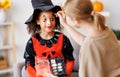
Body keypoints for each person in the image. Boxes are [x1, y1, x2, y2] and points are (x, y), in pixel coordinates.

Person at [57, 0, 120, 77]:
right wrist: (65, 24)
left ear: (75, 20)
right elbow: (85, 41)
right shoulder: (106, 31)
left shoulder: (89, 45)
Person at [23, 0, 74, 77]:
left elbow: (70, 60)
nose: (49, 23)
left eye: (52, 19)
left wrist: (66, 74)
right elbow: (29, 64)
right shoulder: (32, 42)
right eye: (44, 20)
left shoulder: (63, 39)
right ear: (37, 21)